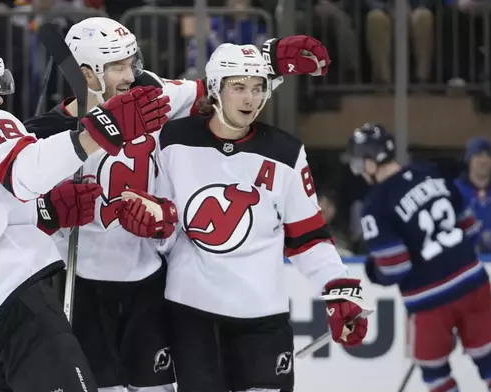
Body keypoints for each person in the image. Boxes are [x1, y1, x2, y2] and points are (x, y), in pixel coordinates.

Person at [23, 16, 333, 392]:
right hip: (83, 285)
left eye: (131, 62)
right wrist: (48, 211)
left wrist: (269, 60)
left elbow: (214, 87)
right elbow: (15, 212)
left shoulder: (150, 94)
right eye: (118, 66)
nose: (130, 73)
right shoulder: (45, 134)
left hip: (149, 282)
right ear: (87, 74)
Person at [0, 42, 169, 392]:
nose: (1, 100)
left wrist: (46, 211)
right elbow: (30, 172)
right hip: (13, 302)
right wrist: (102, 131)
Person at [116, 43, 369, 392]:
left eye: (257, 88)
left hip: (263, 318)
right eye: (238, 87)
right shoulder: (173, 141)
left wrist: (338, 290)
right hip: (193, 315)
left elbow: (308, 236)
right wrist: (156, 224)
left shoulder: (286, 152)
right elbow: (165, 229)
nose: (249, 99)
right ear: (216, 89)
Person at [346, 124, 491, 392]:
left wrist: (371, 269)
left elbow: (394, 268)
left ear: (370, 161)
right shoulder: (428, 173)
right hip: (473, 281)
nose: (359, 171)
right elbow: (470, 228)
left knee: (435, 373)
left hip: (429, 299)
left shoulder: (376, 205)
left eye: (359, 163)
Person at [454, 136, 491, 253]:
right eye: (478, 155)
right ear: (469, 160)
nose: (484, 160)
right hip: (466, 260)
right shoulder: (454, 190)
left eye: (488, 156)